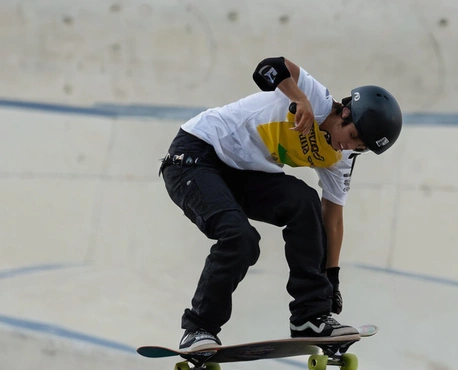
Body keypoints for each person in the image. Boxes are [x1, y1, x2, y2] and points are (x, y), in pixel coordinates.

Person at [159, 56, 402, 352]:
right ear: (346, 112)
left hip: (241, 175)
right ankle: (198, 329)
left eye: (359, 148)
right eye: (351, 136)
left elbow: (333, 216)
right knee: (240, 238)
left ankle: (309, 317)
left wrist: (331, 277)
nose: (348, 146)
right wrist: (299, 98)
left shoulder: (340, 158)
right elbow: (267, 67)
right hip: (195, 156)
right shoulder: (316, 97)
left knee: (304, 202)